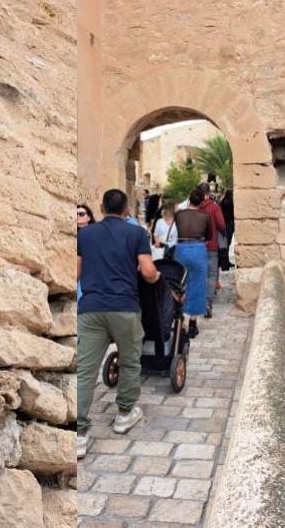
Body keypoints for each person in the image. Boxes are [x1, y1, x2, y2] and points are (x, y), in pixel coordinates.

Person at [77, 189, 160, 459]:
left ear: (101, 208)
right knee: (130, 360)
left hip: (90, 309)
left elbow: (76, 272)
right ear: (126, 210)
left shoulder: (84, 234)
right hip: (124, 307)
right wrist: (156, 276)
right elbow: (147, 272)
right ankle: (124, 414)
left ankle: (79, 433)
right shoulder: (136, 234)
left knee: (86, 368)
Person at [174, 189, 212, 338]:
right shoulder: (205, 216)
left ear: (189, 199)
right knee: (197, 284)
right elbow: (209, 235)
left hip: (182, 247)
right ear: (202, 201)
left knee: (180, 283)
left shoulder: (179, 215)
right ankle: (193, 322)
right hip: (198, 248)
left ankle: (179, 317)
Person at [196, 182, 226, 317]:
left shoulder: (195, 207)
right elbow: (221, 224)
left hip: (197, 245)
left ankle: (199, 301)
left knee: (199, 274)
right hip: (212, 245)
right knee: (212, 274)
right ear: (208, 193)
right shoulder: (215, 207)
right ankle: (208, 302)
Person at [76, 204, 96, 304]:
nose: (78, 216)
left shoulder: (95, 235)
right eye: (76, 214)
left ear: (88, 217)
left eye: (81, 214)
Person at [219, 189, 234, 271]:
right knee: (227, 244)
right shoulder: (229, 202)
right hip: (228, 224)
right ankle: (225, 263)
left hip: (225, 224)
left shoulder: (222, 201)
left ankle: (225, 262)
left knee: (225, 244)